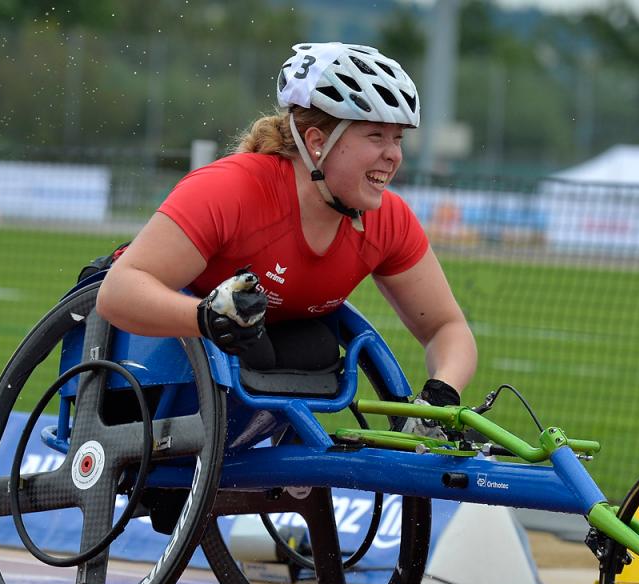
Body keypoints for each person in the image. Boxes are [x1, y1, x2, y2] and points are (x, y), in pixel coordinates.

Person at [96, 41, 477, 420]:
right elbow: (118, 292)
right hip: (144, 373)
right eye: (375, 136)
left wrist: (441, 394)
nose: (394, 155)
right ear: (317, 142)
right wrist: (208, 318)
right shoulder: (232, 190)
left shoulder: (388, 219)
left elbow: (446, 327)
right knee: (259, 350)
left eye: (398, 138)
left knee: (313, 349)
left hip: (252, 369)